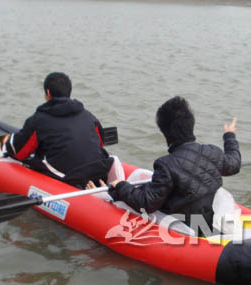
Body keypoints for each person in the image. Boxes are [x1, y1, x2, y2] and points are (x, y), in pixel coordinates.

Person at [88, 96, 241, 231]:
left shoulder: (166, 165)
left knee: (125, 194)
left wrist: (119, 185)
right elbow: (234, 164)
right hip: (207, 217)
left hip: (185, 225)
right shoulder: (213, 152)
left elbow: (146, 203)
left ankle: (103, 195)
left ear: (164, 131)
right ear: (191, 124)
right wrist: (229, 135)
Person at [0, 72, 111, 188]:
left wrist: (5, 145)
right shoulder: (89, 116)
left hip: (69, 178)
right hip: (98, 173)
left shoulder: (39, 120)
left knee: (33, 161)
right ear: (69, 92)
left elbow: (17, 152)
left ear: (48, 93)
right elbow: (100, 143)